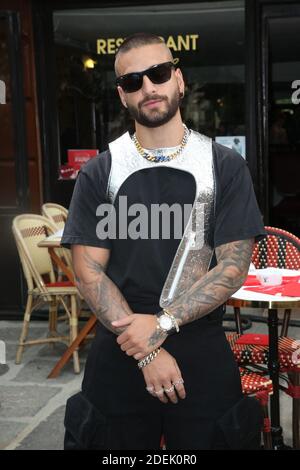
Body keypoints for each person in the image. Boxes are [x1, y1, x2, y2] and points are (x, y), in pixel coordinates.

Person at [62, 33, 266, 450]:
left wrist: (161, 326)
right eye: (133, 81)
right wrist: (148, 352)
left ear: (179, 80)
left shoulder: (224, 167)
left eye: (157, 73)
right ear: (122, 95)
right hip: (120, 345)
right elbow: (88, 271)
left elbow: (232, 267)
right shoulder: (101, 172)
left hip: (200, 346)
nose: (148, 88)